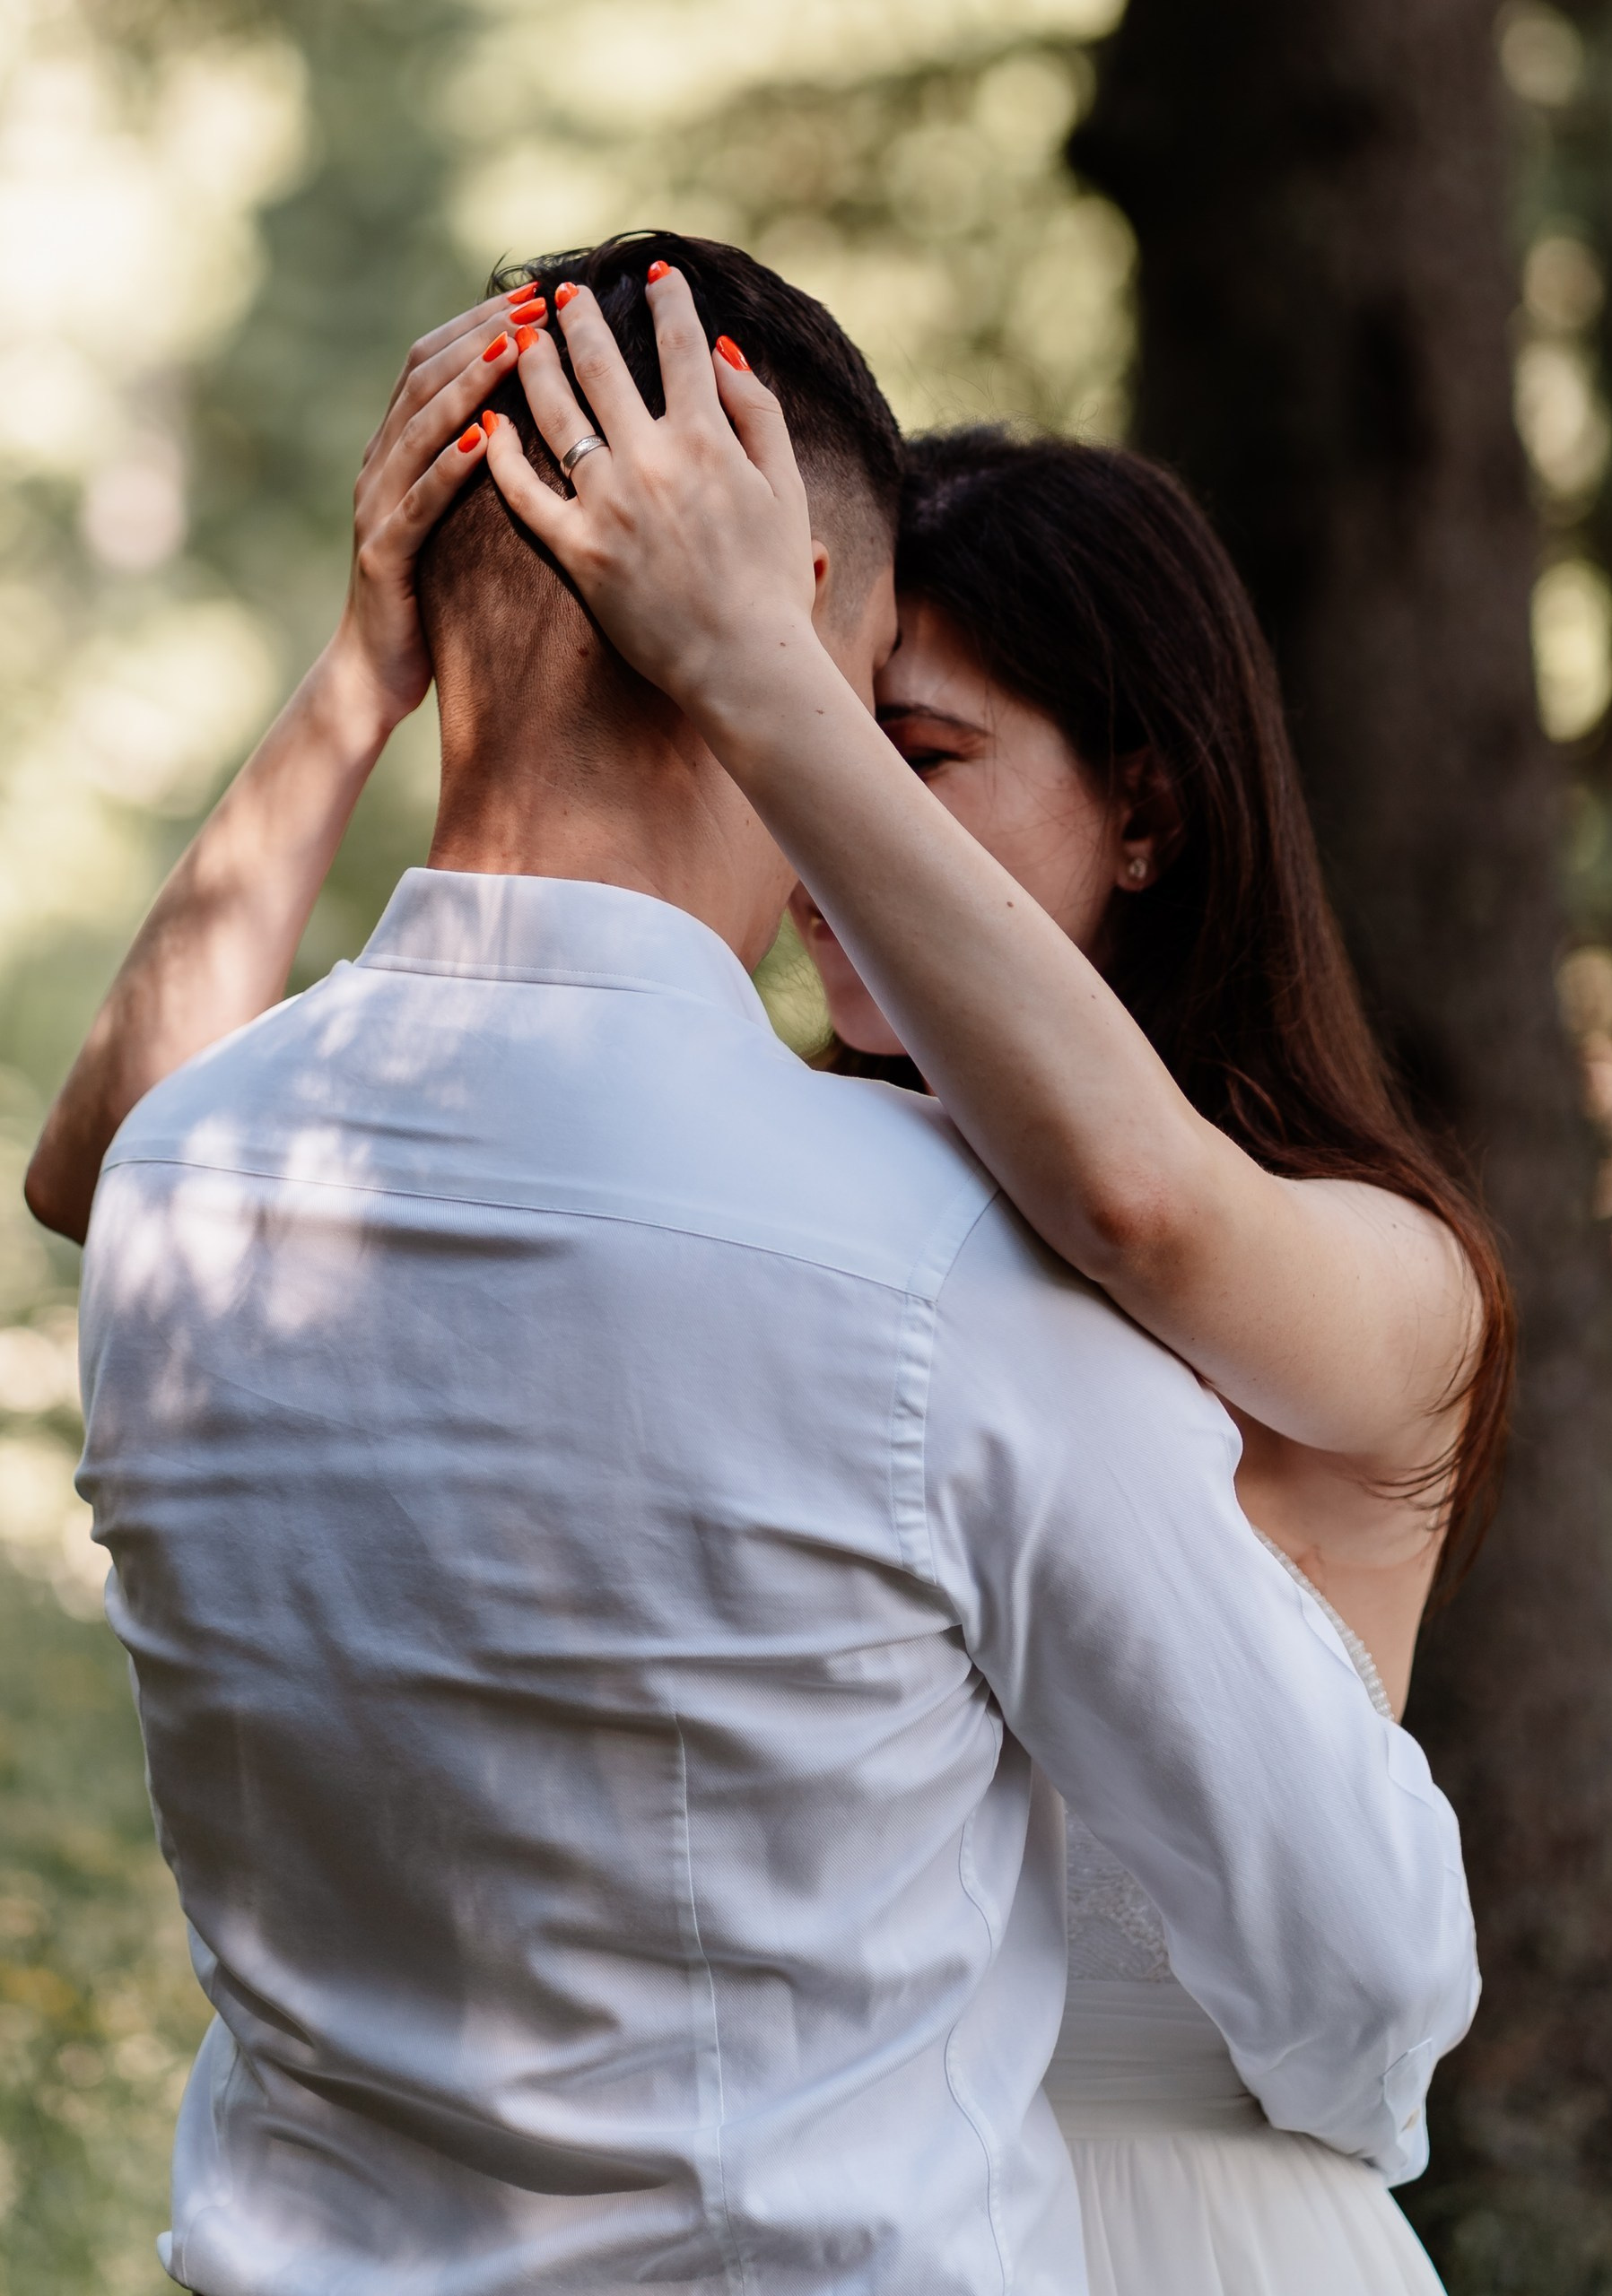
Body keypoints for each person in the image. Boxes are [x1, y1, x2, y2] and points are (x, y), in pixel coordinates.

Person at [40, 233, 1477, 2296]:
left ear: (1149, 808)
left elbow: (1147, 1204)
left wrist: (708, 670)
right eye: (843, 722)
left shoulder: (1297, 1259)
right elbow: (1368, 1979)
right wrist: (390, 659)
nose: (837, 817)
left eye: (917, 750)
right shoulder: (907, 1246)